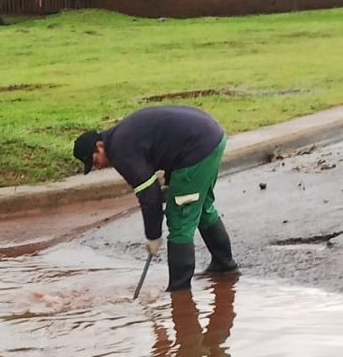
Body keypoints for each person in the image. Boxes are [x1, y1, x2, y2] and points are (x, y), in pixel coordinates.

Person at [73, 105, 238, 291]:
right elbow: (165, 144)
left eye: (95, 161)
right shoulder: (121, 137)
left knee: (180, 218)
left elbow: (149, 195)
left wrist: (153, 236)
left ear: (100, 146)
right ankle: (224, 264)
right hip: (211, 137)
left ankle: (179, 289)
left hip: (198, 148)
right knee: (202, 207)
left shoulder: (120, 151)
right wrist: (170, 178)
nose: (99, 167)